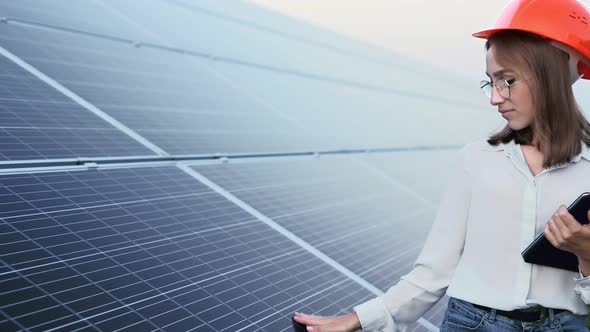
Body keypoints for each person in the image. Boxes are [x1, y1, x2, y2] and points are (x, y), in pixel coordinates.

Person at [293, 0, 590, 331]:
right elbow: (435, 270)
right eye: (489, 82)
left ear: (549, 75)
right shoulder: (476, 160)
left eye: (507, 81)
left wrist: (586, 254)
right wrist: (358, 320)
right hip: (474, 323)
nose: (494, 97)